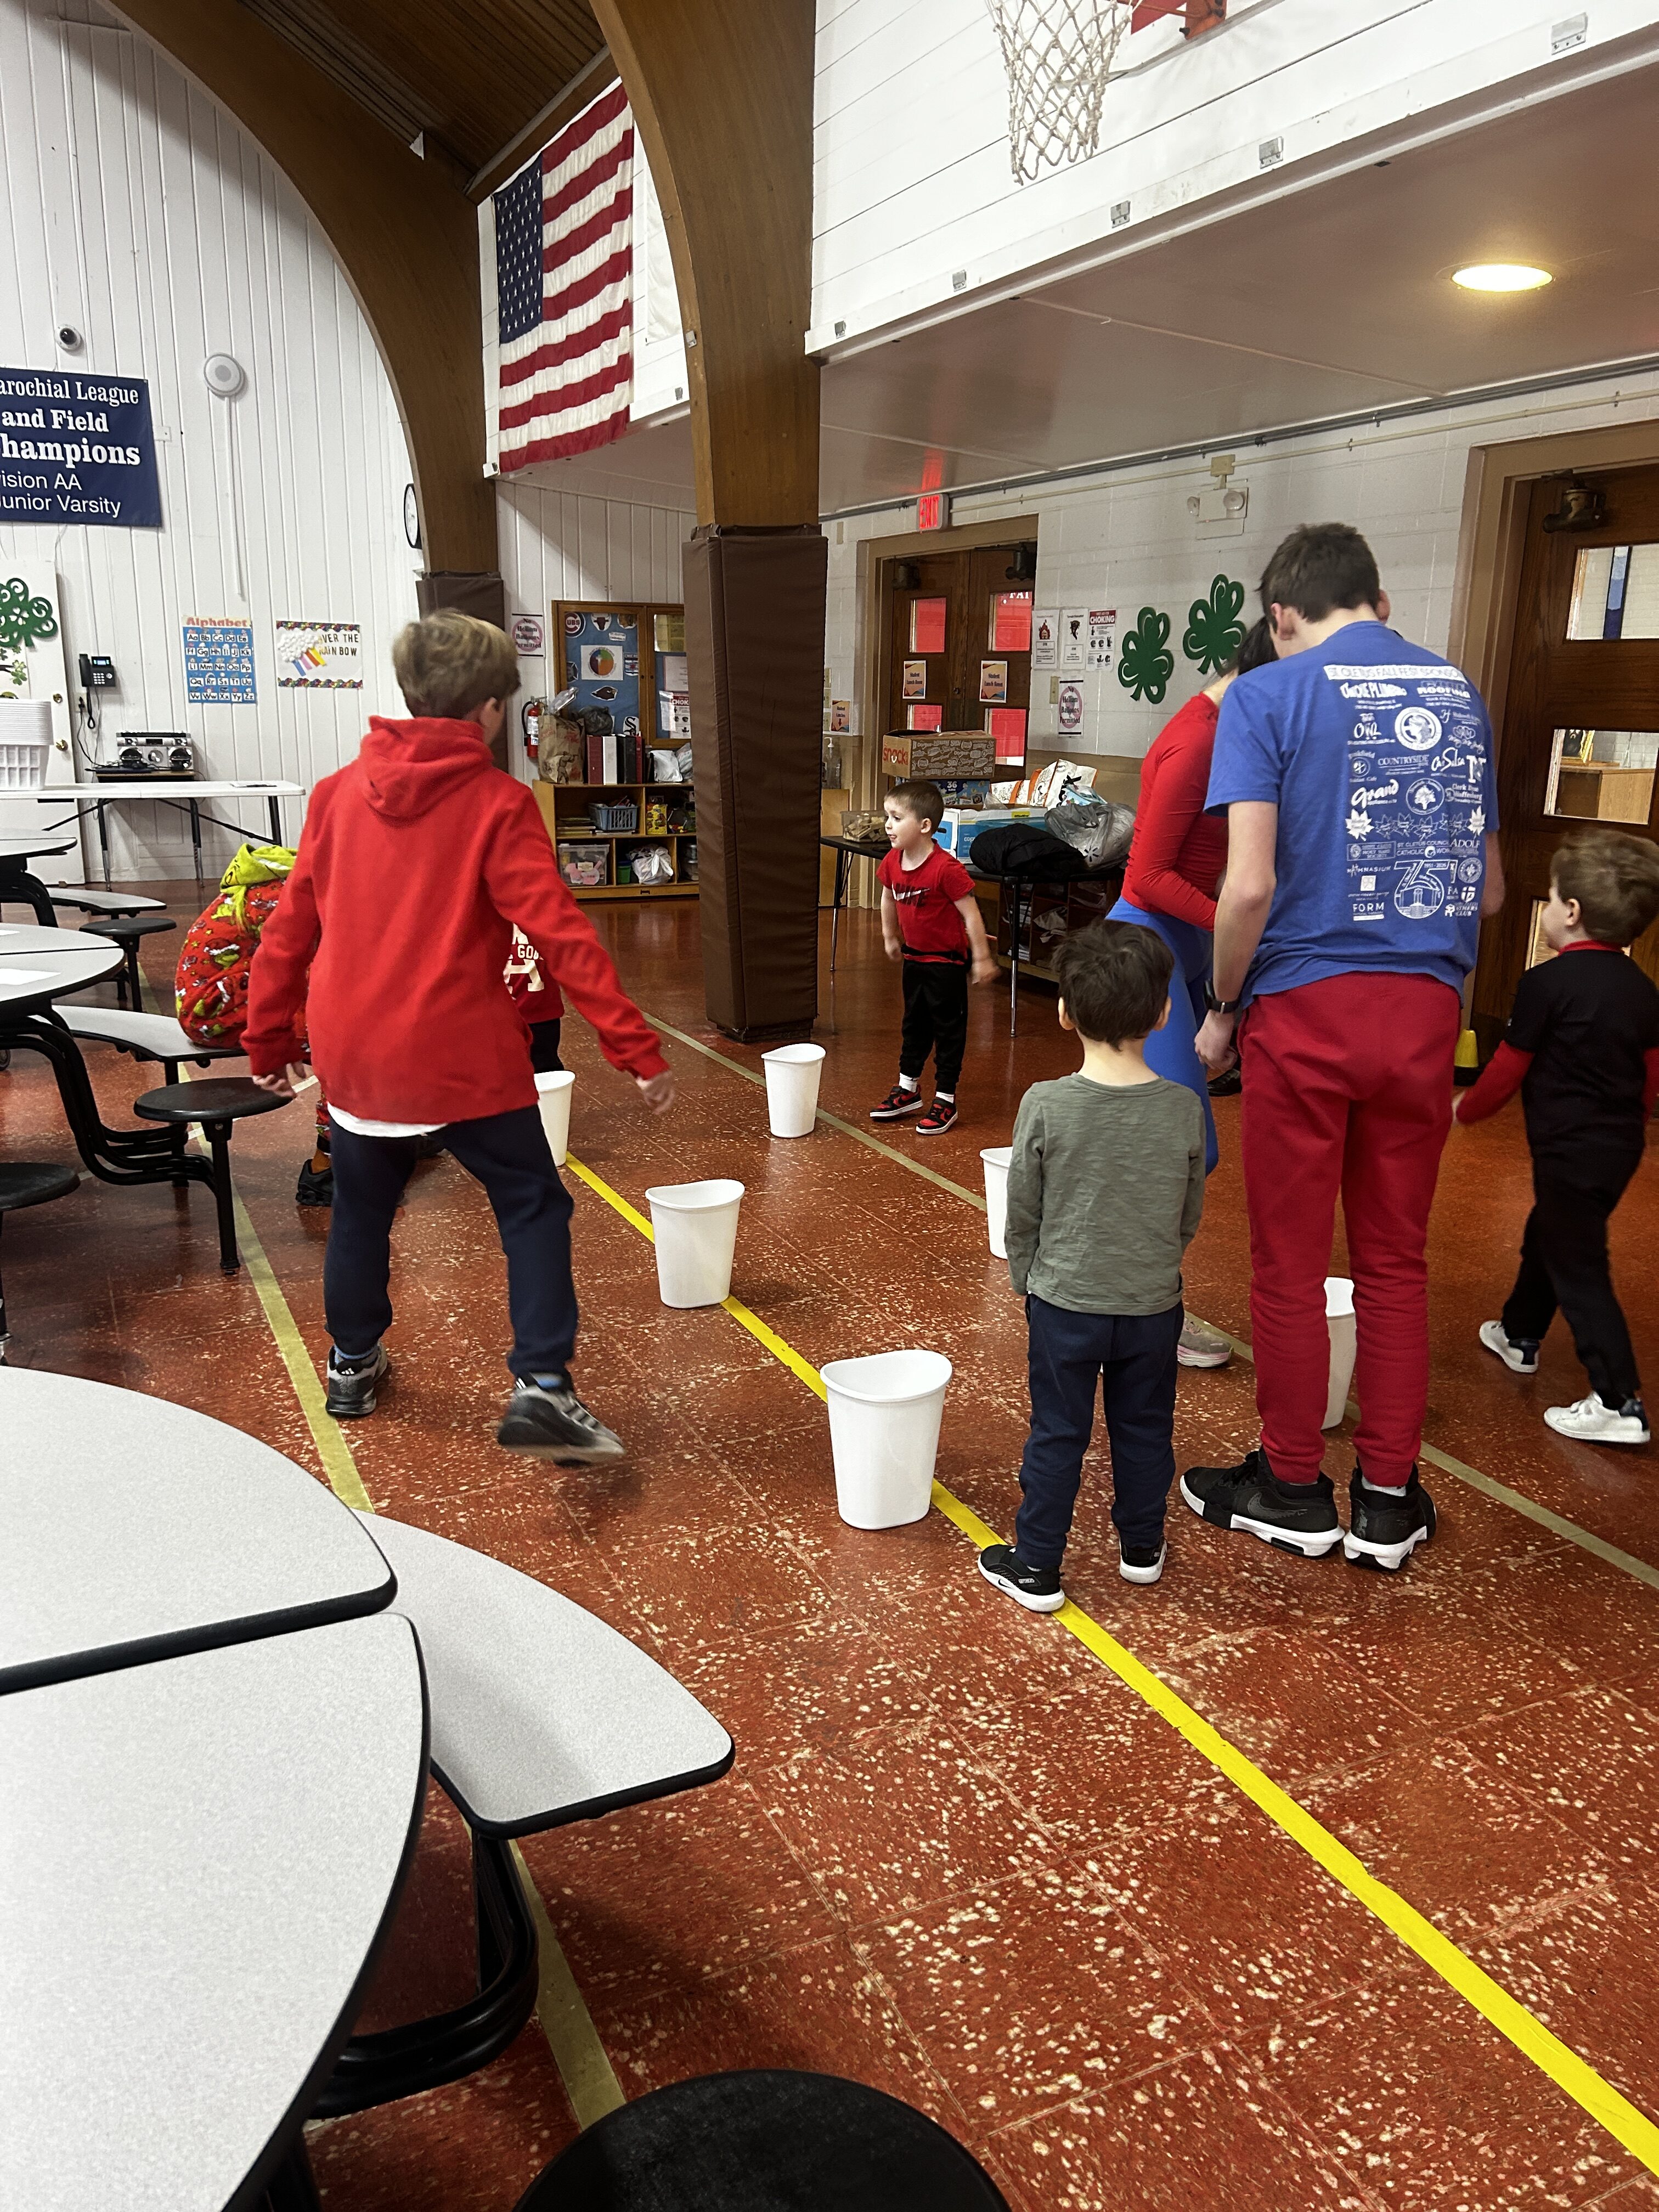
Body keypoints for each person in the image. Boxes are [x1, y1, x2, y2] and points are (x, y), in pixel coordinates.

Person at [243, 609, 675, 1462]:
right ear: (488, 708)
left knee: (362, 1210)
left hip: (357, 1056)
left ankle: (352, 1364)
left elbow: (289, 931)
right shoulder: (497, 802)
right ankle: (543, 1385)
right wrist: (633, 1047)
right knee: (532, 1203)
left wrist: (268, 1040)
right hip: (462, 1057)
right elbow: (560, 934)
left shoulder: (334, 795)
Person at [1186, 522, 1504, 1573]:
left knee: (1287, 1262)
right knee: (1393, 1261)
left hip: (1304, 1009)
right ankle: (1385, 1497)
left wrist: (1222, 1006)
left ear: (1279, 615)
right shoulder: (1457, 694)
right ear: (1378, 600)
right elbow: (1488, 891)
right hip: (1423, 1013)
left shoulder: (1265, 696)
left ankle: (1288, 1485)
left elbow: (1246, 887)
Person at [977, 921, 1206, 1612]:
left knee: (1058, 1432)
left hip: (1064, 1304)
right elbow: (1187, 1212)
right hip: (1152, 1306)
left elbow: (1023, 1209)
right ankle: (1141, 1548)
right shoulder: (1184, 1108)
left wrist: (1027, 1278)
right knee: (1145, 1429)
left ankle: (1038, 1565)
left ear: (1064, 1012)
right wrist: (1157, 1265)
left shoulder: (1045, 1104)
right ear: (1163, 1013)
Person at [1109, 615, 1278, 1372]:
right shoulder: (1199, 742)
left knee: (1171, 1146)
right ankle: (1143, 1301)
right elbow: (1147, 877)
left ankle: (1133, 1291)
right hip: (1148, 952)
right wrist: (1236, 926)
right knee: (1188, 1145)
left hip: (1184, 950)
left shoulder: (1230, 730)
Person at [1456, 828, 1659, 1445]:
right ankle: (1520, 1333)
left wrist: (1466, 1110)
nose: (1544, 908)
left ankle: (1618, 1400)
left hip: (1567, 1150)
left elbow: (1508, 1068)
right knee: (1551, 1232)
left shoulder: (1544, 985)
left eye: (1547, 898)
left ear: (1571, 912)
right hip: (1617, 1149)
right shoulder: (1643, 990)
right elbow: (1651, 1078)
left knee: (1579, 1264)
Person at [869, 778, 998, 1135]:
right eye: (887, 817)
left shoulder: (946, 869)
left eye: (897, 818)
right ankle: (908, 1088)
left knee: (948, 1029)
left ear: (925, 826)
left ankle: (945, 1098)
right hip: (915, 960)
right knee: (914, 1024)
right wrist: (890, 935)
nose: (888, 825)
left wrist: (982, 958)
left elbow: (971, 914)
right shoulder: (893, 861)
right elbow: (888, 897)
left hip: (946, 963)